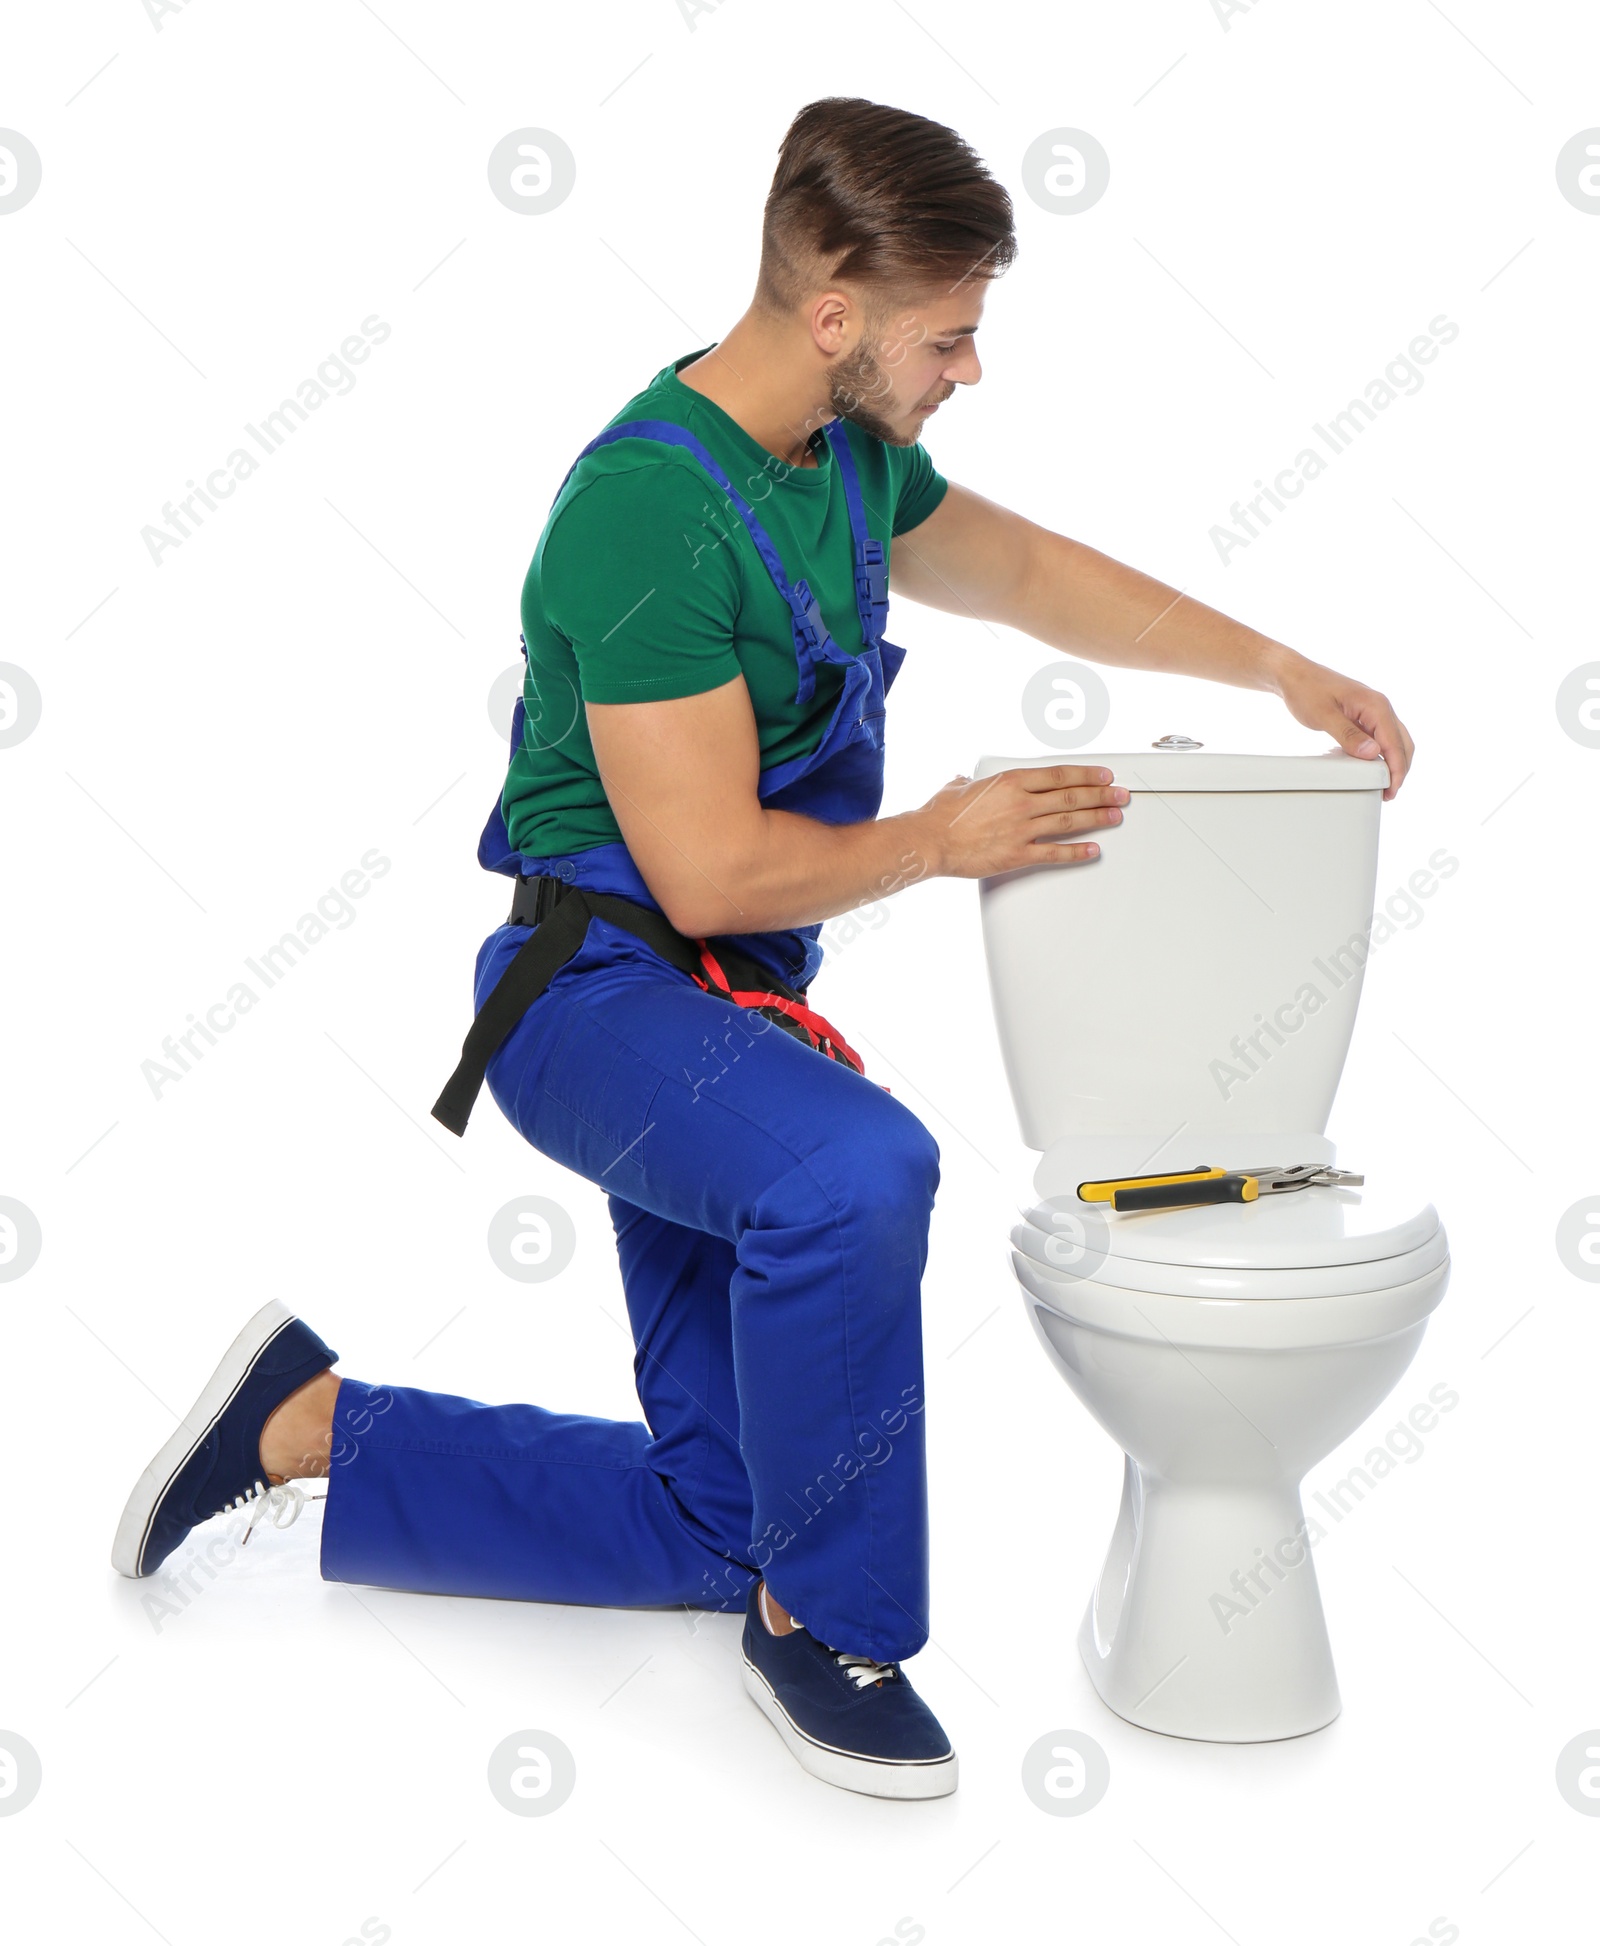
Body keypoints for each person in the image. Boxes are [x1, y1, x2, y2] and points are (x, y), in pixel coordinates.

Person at [111, 97, 1412, 1800]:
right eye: (949, 336)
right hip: (594, 1002)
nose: (968, 368)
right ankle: (831, 1631)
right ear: (834, 317)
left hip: (725, 1017)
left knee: (719, 1517)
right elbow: (712, 869)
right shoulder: (643, 514)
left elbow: (1024, 568)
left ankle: (311, 1427)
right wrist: (942, 838)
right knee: (859, 1174)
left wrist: (1278, 668)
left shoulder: (846, 459)